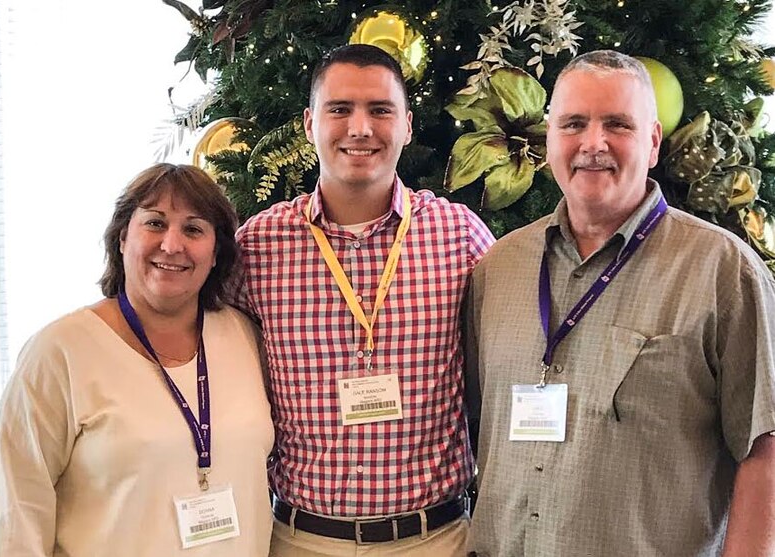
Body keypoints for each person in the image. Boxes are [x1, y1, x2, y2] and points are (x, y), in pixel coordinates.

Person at [465, 50, 775, 557]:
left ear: (652, 142)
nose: (593, 143)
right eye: (573, 123)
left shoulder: (724, 271)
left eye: (617, 124)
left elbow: (764, 448)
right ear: (549, 140)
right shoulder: (498, 268)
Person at [229, 44, 495, 556]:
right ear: (309, 123)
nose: (359, 128)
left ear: (408, 125)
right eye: (339, 109)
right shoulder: (258, 245)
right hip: (301, 539)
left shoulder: (459, 235)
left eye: (380, 110)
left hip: (434, 539)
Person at [0, 163, 274, 556]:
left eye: (193, 229)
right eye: (155, 224)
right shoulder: (60, 351)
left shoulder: (243, 337)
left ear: (215, 254)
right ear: (123, 237)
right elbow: (17, 508)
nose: (172, 245)